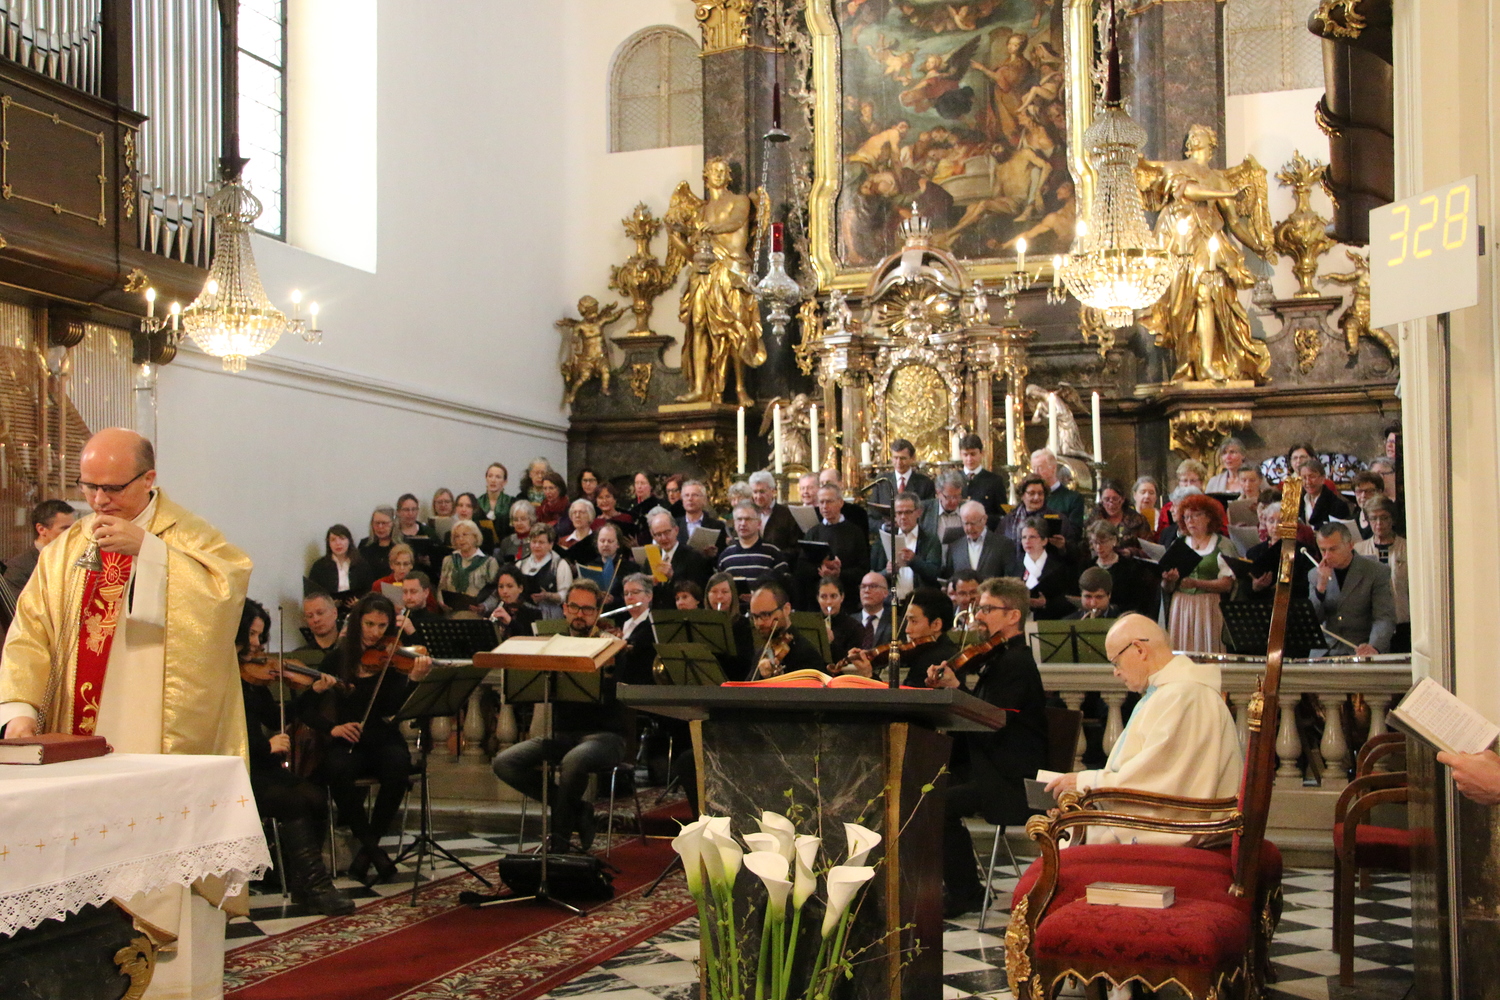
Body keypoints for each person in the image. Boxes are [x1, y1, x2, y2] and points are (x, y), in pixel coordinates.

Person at [0, 428, 253, 994]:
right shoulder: (66, 548)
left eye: (112, 488)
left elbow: (227, 591)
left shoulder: (188, 535)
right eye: (88, 487)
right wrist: (19, 709)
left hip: (158, 743)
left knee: (168, 874)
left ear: (149, 479)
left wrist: (151, 555)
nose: (99, 501)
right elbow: (30, 633)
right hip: (81, 741)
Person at [1045, 614, 1242, 844]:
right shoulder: (1168, 693)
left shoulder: (1184, 696)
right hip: (1164, 819)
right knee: (1061, 830)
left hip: (1176, 830)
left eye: (1116, 662)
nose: (1115, 672)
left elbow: (1157, 782)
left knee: (1059, 840)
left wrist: (1084, 784)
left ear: (1139, 649)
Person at [927, 578, 1047, 917]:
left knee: (937, 805)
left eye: (987, 609)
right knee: (925, 790)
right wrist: (954, 685)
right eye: (978, 609)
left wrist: (957, 690)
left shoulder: (1016, 663)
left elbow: (991, 722)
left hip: (1012, 780)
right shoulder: (999, 657)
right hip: (991, 767)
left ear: (1013, 616)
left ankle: (966, 893)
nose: (978, 616)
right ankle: (952, 886)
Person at [235, 600, 354, 916]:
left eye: (260, 636)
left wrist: (312, 692)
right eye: (251, 635)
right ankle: (316, 888)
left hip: (262, 765)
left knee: (316, 797)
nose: (258, 644)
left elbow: (277, 717)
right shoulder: (223, 677)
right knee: (295, 801)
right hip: (240, 769)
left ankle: (304, 884)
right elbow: (230, 732)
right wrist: (266, 747)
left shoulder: (251, 679)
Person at [491, 579, 628, 851]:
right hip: (562, 736)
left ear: (597, 613)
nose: (580, 615)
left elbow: (621, 692)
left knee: (573, 761)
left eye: (588, 609)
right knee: (504, 762)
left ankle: (560, 843)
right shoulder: (555, 645)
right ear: (565, 609)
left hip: (605, 737)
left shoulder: (611, 647)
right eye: (574, 607)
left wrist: (612, 661)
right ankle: (578, 810)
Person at [313, 592, 431, 884]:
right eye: (369, 624)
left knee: (398, 768)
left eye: (382, 626)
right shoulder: (337, 658)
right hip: (347, 738)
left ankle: (368, 851)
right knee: (336, 770)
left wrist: (413, 682)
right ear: (357, 623)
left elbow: (394, 709)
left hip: (382, 736)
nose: (375, 633)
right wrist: (333, 729)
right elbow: (306, 708)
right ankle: (373, 849)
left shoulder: (392, 659)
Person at [1161, 493, 1237, 654]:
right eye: (1186, 517)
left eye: (1196, 516)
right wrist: (1169, 580)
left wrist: (1197, 583)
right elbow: (1167, 588)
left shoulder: (1222, 544)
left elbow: (1227, 584)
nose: (1190, 521)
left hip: (1209, 605)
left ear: (1209, 517)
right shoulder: (1179, 543)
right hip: (1181, 606)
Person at [1308, 521, 1395, 655]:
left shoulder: (1376, 571)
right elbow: (1312, 621)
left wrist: (1374, 647)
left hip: (1359, 648)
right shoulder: (1315, 574)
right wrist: (1320, 588)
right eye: (1323, 550)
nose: (1326, 556)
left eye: (1333, 549)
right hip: (1325, 651)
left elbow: (1384, 617)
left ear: (1350, 545)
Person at [848, 587, 957, 686]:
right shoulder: (934, 651)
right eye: (907, 621)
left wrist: (868, 674)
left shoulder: (934, 659)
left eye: (914, 621)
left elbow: (903, 699)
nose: (907, 630)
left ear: (936, 624)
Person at [1354, 496, 1409, 653]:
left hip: (1402, 624)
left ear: (1392, 519)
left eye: (1384, 518)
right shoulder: (1359, 550)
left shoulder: (1407, 547)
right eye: (1373, 518)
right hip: (1370, 628)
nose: (1379, 523)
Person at [802, 483, 872, 603]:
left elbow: (863, 568)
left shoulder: (855, 532)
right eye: (821, 502)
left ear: (840, 503)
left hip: (848, 597)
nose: (825, 506)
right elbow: (802, 567)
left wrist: (840, 574)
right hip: (817, 598)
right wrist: (821, 569)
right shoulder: (813, 532)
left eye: (829, 502)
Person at [869, 489, 942, 601]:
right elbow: (872, 575)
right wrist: (887, 572)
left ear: (918, 512)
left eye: (908, 512)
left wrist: (914, 560)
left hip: (920, 601)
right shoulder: (884, 538)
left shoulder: (930, 539)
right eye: (899, 513)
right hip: (891, 602)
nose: (903, 517)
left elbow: (934, 573)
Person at [750, 580, 827, 677]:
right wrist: (761, 676)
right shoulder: (763, 652)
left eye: (766, 615)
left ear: (786, 609)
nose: (759, 623)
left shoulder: (805, 654)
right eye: (755, 617)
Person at [2, 498, 75, 594]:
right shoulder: (17, 569)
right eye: (65, 528)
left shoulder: (74, 559)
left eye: (73, 528)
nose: (72, 533)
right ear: (41, 529)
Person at [717, 501, 790, 594]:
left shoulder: (773, 553)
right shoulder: (726, 556)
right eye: (739, 519)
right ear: (734, 523)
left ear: (759, 524)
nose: (743, 523)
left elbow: (784, 587)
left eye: (748, 519)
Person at [1087, 521, 1157, 618]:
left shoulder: (1130, 568)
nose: (1098, 547)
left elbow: (1138, 602)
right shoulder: (1087, 567)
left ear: (1114, 541)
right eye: (1095, 543)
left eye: (1103, 542)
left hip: (1122, 618)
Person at [645, 509, 711, 608]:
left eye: (667, 532)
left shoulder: (693, 556)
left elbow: (698, 591)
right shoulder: (651, 558)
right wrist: (647, 585)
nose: (663, 538)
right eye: (658, 534)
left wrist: (673, 576)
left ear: (676, 530)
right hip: (657, 612)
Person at [438, 519, 501, 612]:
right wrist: (442, 603)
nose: (461, 539)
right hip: (451, 612)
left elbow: (496, 592)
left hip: (477, 614)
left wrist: (484, 607)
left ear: (475, 536)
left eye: (465, 535)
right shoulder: (448, 560)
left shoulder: (489, 562)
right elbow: (441, 587)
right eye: (457, 536)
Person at [946, 500, 1016, 580]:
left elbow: (1009, 579)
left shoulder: (1004, 545)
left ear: (984, 519)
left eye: (973, 523)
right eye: (966, 523)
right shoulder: (955, 548)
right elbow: (950, 579)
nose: (969, 528)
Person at [310, 524, 375, 611]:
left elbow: (369, 588)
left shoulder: (361, 564)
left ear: (349, 541)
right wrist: (327, 603)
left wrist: (360, 602)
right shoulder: (319, 566)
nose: (338, 543)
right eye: (333, 540)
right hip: (328, 611)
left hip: (357, 610)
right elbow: (313, 593)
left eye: (342, 538)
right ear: (328, 543)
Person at [1019, 518, 1074, 620]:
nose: (1027, 541)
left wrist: (1045, 603)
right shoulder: (1015, 564)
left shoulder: (1058, 567)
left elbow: (1067, 601)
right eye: (1024, 537)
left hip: (1048, 620)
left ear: (1044, 540)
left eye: (1032, 537)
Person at [516, 523, 574, 616]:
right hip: (524, 611)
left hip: (550, 613)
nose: (536, 546)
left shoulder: (560, 565)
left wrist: (547, 596)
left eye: (541, 542)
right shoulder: (520, 564)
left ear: (550, 544)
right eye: (534, 542)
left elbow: (567, 595)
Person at [706, 571, 755, 680]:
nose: (719, 596)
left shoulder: (742, 624)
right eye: (714, 591)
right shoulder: (701, 622)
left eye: (725, 592)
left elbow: (746, 664)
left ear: (733, 594)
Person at [1085, 480, 1150, 558]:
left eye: (1115, 499)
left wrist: (1131, 552)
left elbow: (1149, 550)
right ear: (1101, 500)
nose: (1111, 504)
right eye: (1106, 499)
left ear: (1122, 499)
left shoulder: (1137, 520)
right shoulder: (1093, 520)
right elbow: (1086, 546)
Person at [1000, 476, 1064, 555]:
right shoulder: (1009, 519)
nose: (1036, 497)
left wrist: (1063, 546)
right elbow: (998, 545)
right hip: (1014, 561)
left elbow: (1073, 550)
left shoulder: (1057, 517)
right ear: (1022, 495)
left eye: (1040, 493)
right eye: (1031, 493)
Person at [1030, 448, 1086, 537]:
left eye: (1040, 468)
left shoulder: (1073, 499)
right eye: (1033, 468)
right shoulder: (1029, 498)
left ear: (1053, 468)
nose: (1036, 473)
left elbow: (1075, 533)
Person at [373, 543, 441, 614]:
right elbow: (373, 609)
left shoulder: (419, 583)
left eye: (405, 564)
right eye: (398, 564)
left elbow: (433, 609)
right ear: (391, 565)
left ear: (411, 565)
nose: (402, 568)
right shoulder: (379, 585)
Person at [614, 573, 658, 685]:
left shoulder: (653, 624)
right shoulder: (625, 624)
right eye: (626, 593)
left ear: (649, 596)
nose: (629, 597)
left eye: (635, 592)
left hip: (642, 686)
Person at [868, 438, 936, 508]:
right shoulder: (881, 481)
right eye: (895, 458)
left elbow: (929, 511)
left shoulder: (925, 483)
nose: (899, 462)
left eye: (903, 458)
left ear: (912, 458)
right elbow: (872, 510)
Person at [749, 470, 805, 552]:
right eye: (755, 492)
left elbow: (796, 548)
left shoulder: (787, 515)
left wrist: (777, 556)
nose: (758, 496)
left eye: (762, 492)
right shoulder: (749, 514)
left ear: (773, 491)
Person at [587, 522, 638, 611]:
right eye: (602, 541)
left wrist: (614, 600)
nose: (605, 544)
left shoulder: (631, 568)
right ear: (597, 543)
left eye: (610, 541)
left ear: (618, 544)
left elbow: (636, 599)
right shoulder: (589, 566)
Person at [816, 575, 865, 665]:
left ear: (842, 597)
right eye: (823, 597)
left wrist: (831, 643)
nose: (828, 602)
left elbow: (850, 662)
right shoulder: (812, 624)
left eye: (833, 596)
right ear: (818, 599)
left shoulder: (854, 627)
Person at [486, 567, 542, 639]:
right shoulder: (493, 613)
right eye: (501, 587)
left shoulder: (534, 614)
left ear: (520, 588)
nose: (504, 591)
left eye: (510, 586)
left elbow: (530, 639)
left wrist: (511, 622)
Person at [291, 591, 342, 669]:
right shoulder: (299, 655)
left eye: (320, 613)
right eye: (310, 616)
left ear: (335, 613)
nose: (315, 619)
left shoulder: (351, 647)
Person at [676, 479, 726, 558]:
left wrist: (714, 554)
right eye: (686, 495)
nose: (690, 499)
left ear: (704, 500)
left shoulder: (717, 526)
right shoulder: (674, 525)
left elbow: (722, 554)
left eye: (695, 495)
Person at [957, 433, 1005, 515]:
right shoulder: (954, 478)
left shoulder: (994, 481)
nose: (969, 459)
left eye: (973, 454)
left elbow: (1001, 514)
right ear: (960, 455)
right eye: (965, 455)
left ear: (982, 453)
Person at [1298, 456, 1353, 527]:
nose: (1308, 482)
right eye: (1304, 478)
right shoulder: (1299, 501)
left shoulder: (1337, 505)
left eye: (1312, 477)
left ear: (1323, 478)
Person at [922, 471, 968, 555]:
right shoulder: (924, 510)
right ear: (938, 493)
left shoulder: (968, 510)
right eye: (949, 497)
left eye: (957, 496)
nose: (954, 501)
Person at [395, 493, 439, 572]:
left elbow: (438, 557)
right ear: (398, 512)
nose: (410, 513)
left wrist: (430, 560)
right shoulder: (393, 533)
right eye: (406, 510)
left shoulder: (427, 531)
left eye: (414, 509)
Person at [853, 571, 893, 649]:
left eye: (873, 586)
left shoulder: (896, 623)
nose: (866, 590)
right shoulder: (849, 622)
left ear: (885, 593)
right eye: (863, 587)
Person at [359, 505, 398, 579]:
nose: (380, 527)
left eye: (384, 523)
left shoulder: (403, 545)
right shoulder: (364, 545)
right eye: (377, 523)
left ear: (393, 524)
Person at [558, 499, 600, 566]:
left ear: (590, 516)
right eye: (574, 512)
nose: (577, 515)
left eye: (581, 512)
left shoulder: (597, 541)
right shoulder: (562, 541)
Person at [628, 472, 666, 543]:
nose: (639, 487)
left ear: (651, 486)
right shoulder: (632, 506)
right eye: (637, 483)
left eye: (643, 483)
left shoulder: (657, 505)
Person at [499, 500, 538, 564]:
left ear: (531, 519)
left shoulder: (538, 541)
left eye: (523, 519)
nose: (519, 523)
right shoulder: (506, 542)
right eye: (516, 520)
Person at [1349, 471, 1385, 539]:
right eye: (1359, 491)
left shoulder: (1386, 520)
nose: (1363, 495)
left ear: (1379, 492)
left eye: (1369, 491)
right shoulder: (1352, 520)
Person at [1132, 475, 1165, 542]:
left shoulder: (1163, 516)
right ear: (1134, 495)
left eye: (1151, 493)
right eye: (1143, 492)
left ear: (1156, 497)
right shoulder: (1127, 515)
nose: (1147, 496)